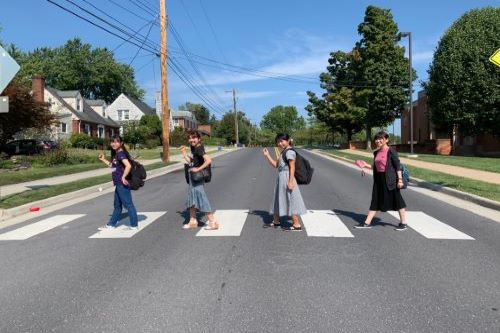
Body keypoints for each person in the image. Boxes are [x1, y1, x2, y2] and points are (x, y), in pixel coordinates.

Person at [355, 131, 407, 230]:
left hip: (390, 179)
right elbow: (376, 167)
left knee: (397, 200)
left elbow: (397, 166)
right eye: (376, 139)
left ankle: (403, 223)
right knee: (375, 200)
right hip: (379, 179)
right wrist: (365, 165)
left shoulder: (391, 151)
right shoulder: (376, 152)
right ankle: (367, 223)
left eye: (380, 139)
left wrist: (400, 180)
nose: (378, 141)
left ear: (386, 140)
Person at [262, 133, 307, 231]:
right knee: (278, 199)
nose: (279, 143)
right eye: (278, 141)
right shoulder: (283, 152)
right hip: (281, 178)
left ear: (287, 141)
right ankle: (276, 221)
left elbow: (292, 167)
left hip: (287, 178)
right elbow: (275, 165)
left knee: (290, 200)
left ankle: (296, 224)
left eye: (281, 141)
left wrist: (290, 182)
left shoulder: (289, 152)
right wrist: (267, 155)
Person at [98, 135, 139, 230]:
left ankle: (134, 225)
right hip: (118, 184)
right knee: (117, 205)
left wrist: (123, 177)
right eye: (112, 141)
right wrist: (103, 159)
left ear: (121, 143)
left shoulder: (120, 154)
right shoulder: (117, 154)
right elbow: (114, 167)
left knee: (128, 204)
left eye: (116, 142)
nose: (113, 144)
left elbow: (128, 166)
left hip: (122, 184)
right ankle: (111, 225)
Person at [181, 131, 219, 230]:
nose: (191, 140)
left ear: (199, 139)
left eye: (194, 138)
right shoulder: (194, 148)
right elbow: (192, 162)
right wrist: (184, 153)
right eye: (189, 138)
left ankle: (212, 222)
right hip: (193, 178)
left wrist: (198, 169)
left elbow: (208, 160)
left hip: (197, 178)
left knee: (202, 198)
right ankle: (193, 221)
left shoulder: (199, 148)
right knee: (192, 198)